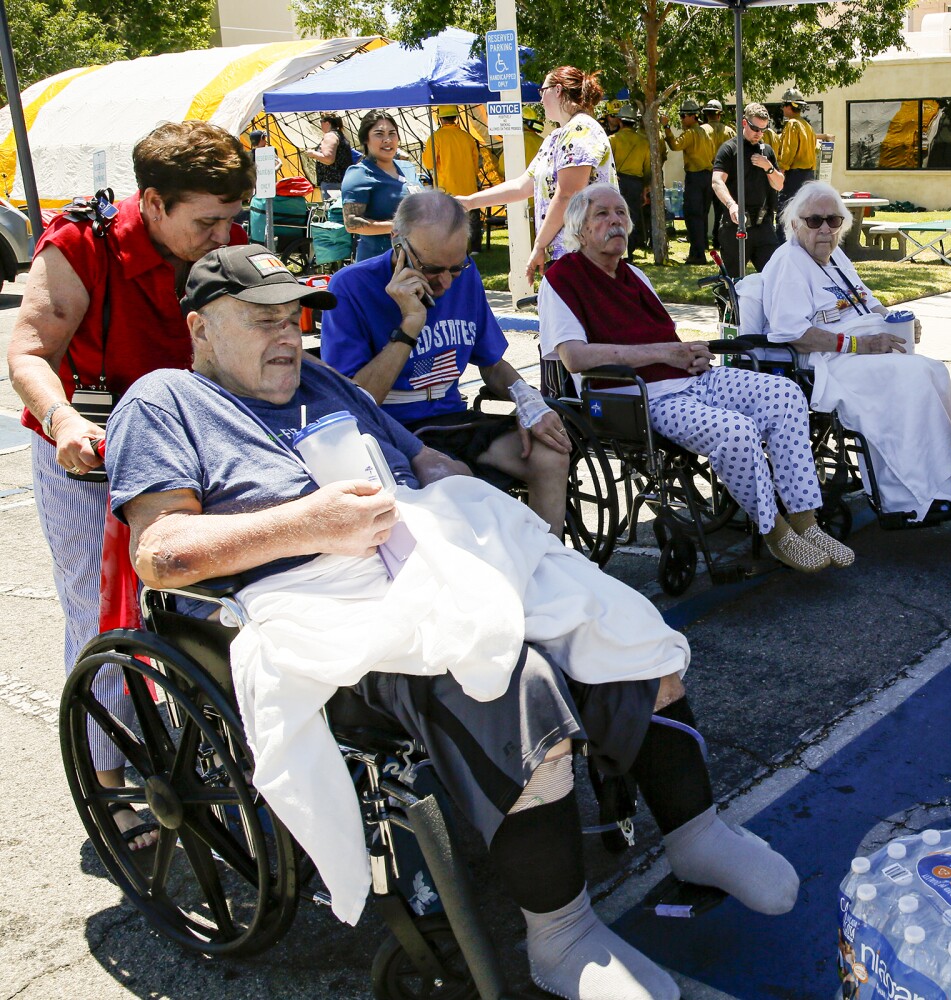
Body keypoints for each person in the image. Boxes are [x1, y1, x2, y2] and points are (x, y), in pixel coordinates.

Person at [105, 243, 802, 1000]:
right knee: (513, 674)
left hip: (426, 549)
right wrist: (311, 525)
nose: (288, 336)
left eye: (295, 318)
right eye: (263, 320)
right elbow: (163, 553)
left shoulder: (324, 380)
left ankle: (697, 833)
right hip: (322, 595)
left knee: (621, 619)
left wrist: (445, 476)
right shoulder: (163, 401)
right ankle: (561, 936)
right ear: (201, 327)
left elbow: (418, 457)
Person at [5, 120, 252, 854]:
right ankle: (108, 783)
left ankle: (213, 742)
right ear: (151, 202)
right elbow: (27, 350)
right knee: (102, 615)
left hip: (189, 447)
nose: (223, 234)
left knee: (209, 606)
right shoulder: (80, 247)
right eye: (206, 221)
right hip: (91, 451)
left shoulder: (217, 244)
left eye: (231, 217)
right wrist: (60, 423)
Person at [539, 183, 853, 573]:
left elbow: (662, 341)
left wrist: (689, 352)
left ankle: (806, 521)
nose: (616, 221)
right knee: (737, 431)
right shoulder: (562, 279)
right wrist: (665, 354)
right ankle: (776, 533)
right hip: (640, 397)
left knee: (786, 393)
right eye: (602, 214)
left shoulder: (634, 275)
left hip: (689, 380)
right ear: (579, 228)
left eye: (621, 213)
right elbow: (574, 357)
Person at [319, 190, 571, 533]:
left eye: (456, 266)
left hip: (451, 417)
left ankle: (549, 565)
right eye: (432, 268)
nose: (446, 282)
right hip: (390, 429)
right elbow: (357, 400)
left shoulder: (464, 276)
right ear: (397, 241)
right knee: (452, 478)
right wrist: (409, 326)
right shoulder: (351, 287)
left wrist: (530, 403)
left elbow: (492, 363)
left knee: (550, 453)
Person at [757, 182, 951, 524]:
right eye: (814, 221)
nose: (825, 229)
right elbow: (792, 334)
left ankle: (945, 482)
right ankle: (906, 498)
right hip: (827, 362)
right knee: (909, 377)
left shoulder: (836, 256)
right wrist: (860, 345)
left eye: (833, 220)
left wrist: (896, 322)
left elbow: (867, 301)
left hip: (861, 351)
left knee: (933, 370)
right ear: (795, 225)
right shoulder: (788, 263)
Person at [457, 66, 617, 286]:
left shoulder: (581, 130)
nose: (540, 100)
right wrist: (469, 202)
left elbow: (568, 194)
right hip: (567, 258)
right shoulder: (556, 137)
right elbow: (522, 185)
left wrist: (539, 245)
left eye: (543, 91)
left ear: (558, 90)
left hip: (585, 257)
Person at [712, 102, 785, 278]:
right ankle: (729, 306)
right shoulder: (729, 149)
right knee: (733, 281)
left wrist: (768, 167)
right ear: (744, 123)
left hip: (763, 226)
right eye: (755, 129)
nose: (759, 134)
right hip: (736, 226)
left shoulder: (766, 151)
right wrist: (731, 205)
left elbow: (779, 184)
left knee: (775, 278)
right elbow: (717, 181)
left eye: (763, 130)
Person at [342, 110, 423, 262]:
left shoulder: (408, 168)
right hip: (378, 261)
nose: (387, 139)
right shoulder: (359, 174)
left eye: (392, 133)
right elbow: (352, 224)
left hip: (416, 259)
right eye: (379, 134)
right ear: (366, 139)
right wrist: (398, 226)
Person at [420, 105, 485, 253]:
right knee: (472, 220)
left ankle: (451, 249)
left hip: (447, 188)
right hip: (469, 187)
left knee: (448, 222)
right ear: (456, 117)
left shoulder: (436, 138)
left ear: (440, 118)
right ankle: (475, 248)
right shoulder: (467, 137)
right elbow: (477, 164)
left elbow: (429, 163)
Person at [662, 97, 714, 265]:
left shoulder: (692, 133)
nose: (682, 120)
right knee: (701, 216)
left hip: (696, 178)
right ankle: (697, 252)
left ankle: (698, 255)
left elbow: (676, 146)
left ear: (693, 116)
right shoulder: (707, 132)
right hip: (708, 177)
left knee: (693, 217)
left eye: (684, 116)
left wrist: (667, 127)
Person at [609, 104, 650, 258]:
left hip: (617, 182)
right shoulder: (644, 142)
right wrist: (646, 188)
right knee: (631, 218)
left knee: (614, 217)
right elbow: (647, 168)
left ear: (620, 121)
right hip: (636, 183)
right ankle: (630, 252)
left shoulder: (612, 140)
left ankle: (618, 251)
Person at [775, 89, 818, 216]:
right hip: (809, 174)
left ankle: (782, 236)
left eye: (784, 105)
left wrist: (781, 169)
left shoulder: (792, 124)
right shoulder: (807, 125)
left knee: (785, 211)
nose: (782, 109)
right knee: (804, 212)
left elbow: (789, 149)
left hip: (794, 176)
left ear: (790, 106)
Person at [702, 99, 734, 246]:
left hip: (704, 173)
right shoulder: (729, 131)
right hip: (724, 175)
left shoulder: (700, 131)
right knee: (722, 210)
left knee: (702, 211)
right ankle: (718, 240)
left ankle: (702, 242)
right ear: (719, 115)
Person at [303, 113, 354, 203]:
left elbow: (328, 159)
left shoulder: (330, 136)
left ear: (327, 123)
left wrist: (313, 153)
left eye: (321, 122)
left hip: (332, 182)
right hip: (343, 179)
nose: (320, 124)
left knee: (333, 210)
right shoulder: (340, 135)